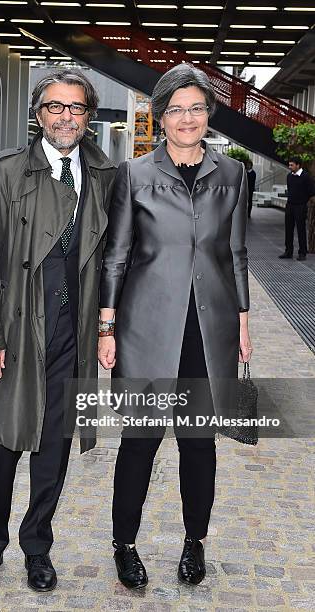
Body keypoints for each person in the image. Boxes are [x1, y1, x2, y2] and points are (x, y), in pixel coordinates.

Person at [0, 69, 116, 592]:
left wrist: (107, 327)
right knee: (0, 445)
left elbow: (114, 258)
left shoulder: (104, 174)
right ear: (37, 114)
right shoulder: (7, 172)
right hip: (18, 328)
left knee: (55, 447)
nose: (65, 116)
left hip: (73, 332)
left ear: (88, 116)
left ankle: (37, 547)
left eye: (76, 108)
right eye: (55, 107)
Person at [98, 63, 252, 589]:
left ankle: (195, 542)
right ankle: (125, 545)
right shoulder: (134, 176)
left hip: (209, 332)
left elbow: (235, 254)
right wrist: (106, 325)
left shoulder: (232, 176)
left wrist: (245, 320)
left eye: (196, 108)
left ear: (209, 115)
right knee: (139, 441)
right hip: (143, 329)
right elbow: (115, 256)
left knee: (198, 442)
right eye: (176, 109)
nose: (187, 118)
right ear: (160, 116)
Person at [279, 156, 315, 261]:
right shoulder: (289, 176)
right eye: (289, 165)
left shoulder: (306, 177)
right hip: (290, 205)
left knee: (301, 229)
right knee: (288, 229)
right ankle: (288, 251)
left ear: (298, 165)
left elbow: (312, 191)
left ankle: (302, 252)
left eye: (292, 165)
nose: (290, 167)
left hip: (300, 206)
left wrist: (303, 200)